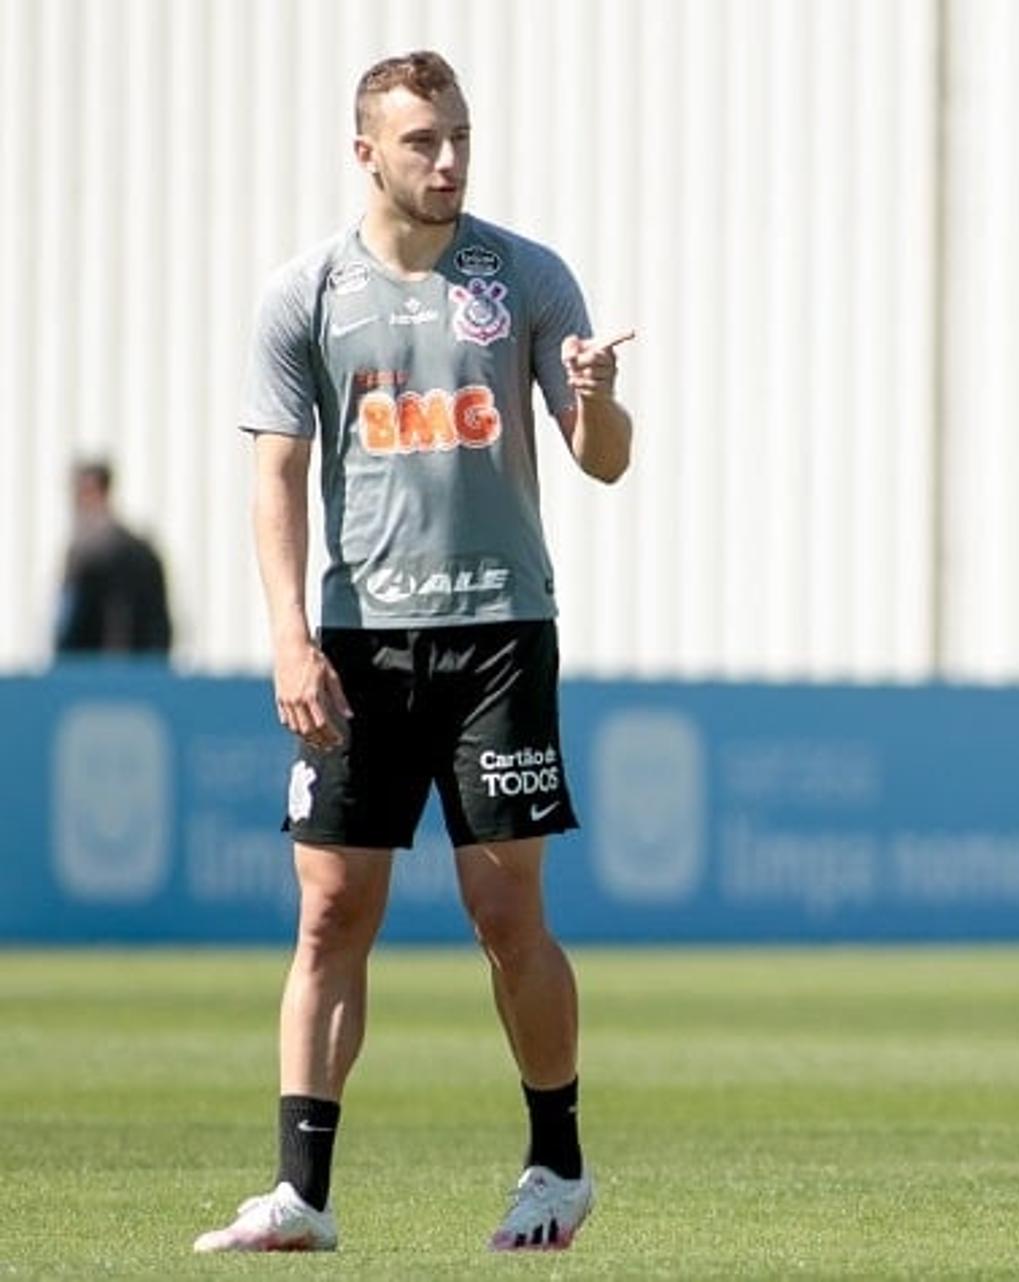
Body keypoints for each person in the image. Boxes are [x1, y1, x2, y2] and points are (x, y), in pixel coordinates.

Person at [194, 50, 634, 1255]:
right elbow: (275, 476)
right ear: (366, 153)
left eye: (459, 138)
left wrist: (594, 397)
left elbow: (603, 457)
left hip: (500, 630)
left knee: (506, 909)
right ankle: (302, 1196)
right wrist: (289, 635)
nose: (447, 162)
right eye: (422, 142)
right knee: (332, 910)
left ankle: (558, 1166)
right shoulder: (308, 294)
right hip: (359, 641)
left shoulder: (524, 275)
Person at [54, 459, 173, 658]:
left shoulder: (131, 553)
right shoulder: (79, 552)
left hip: (121, 672)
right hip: (82, 670)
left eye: (85, 494)